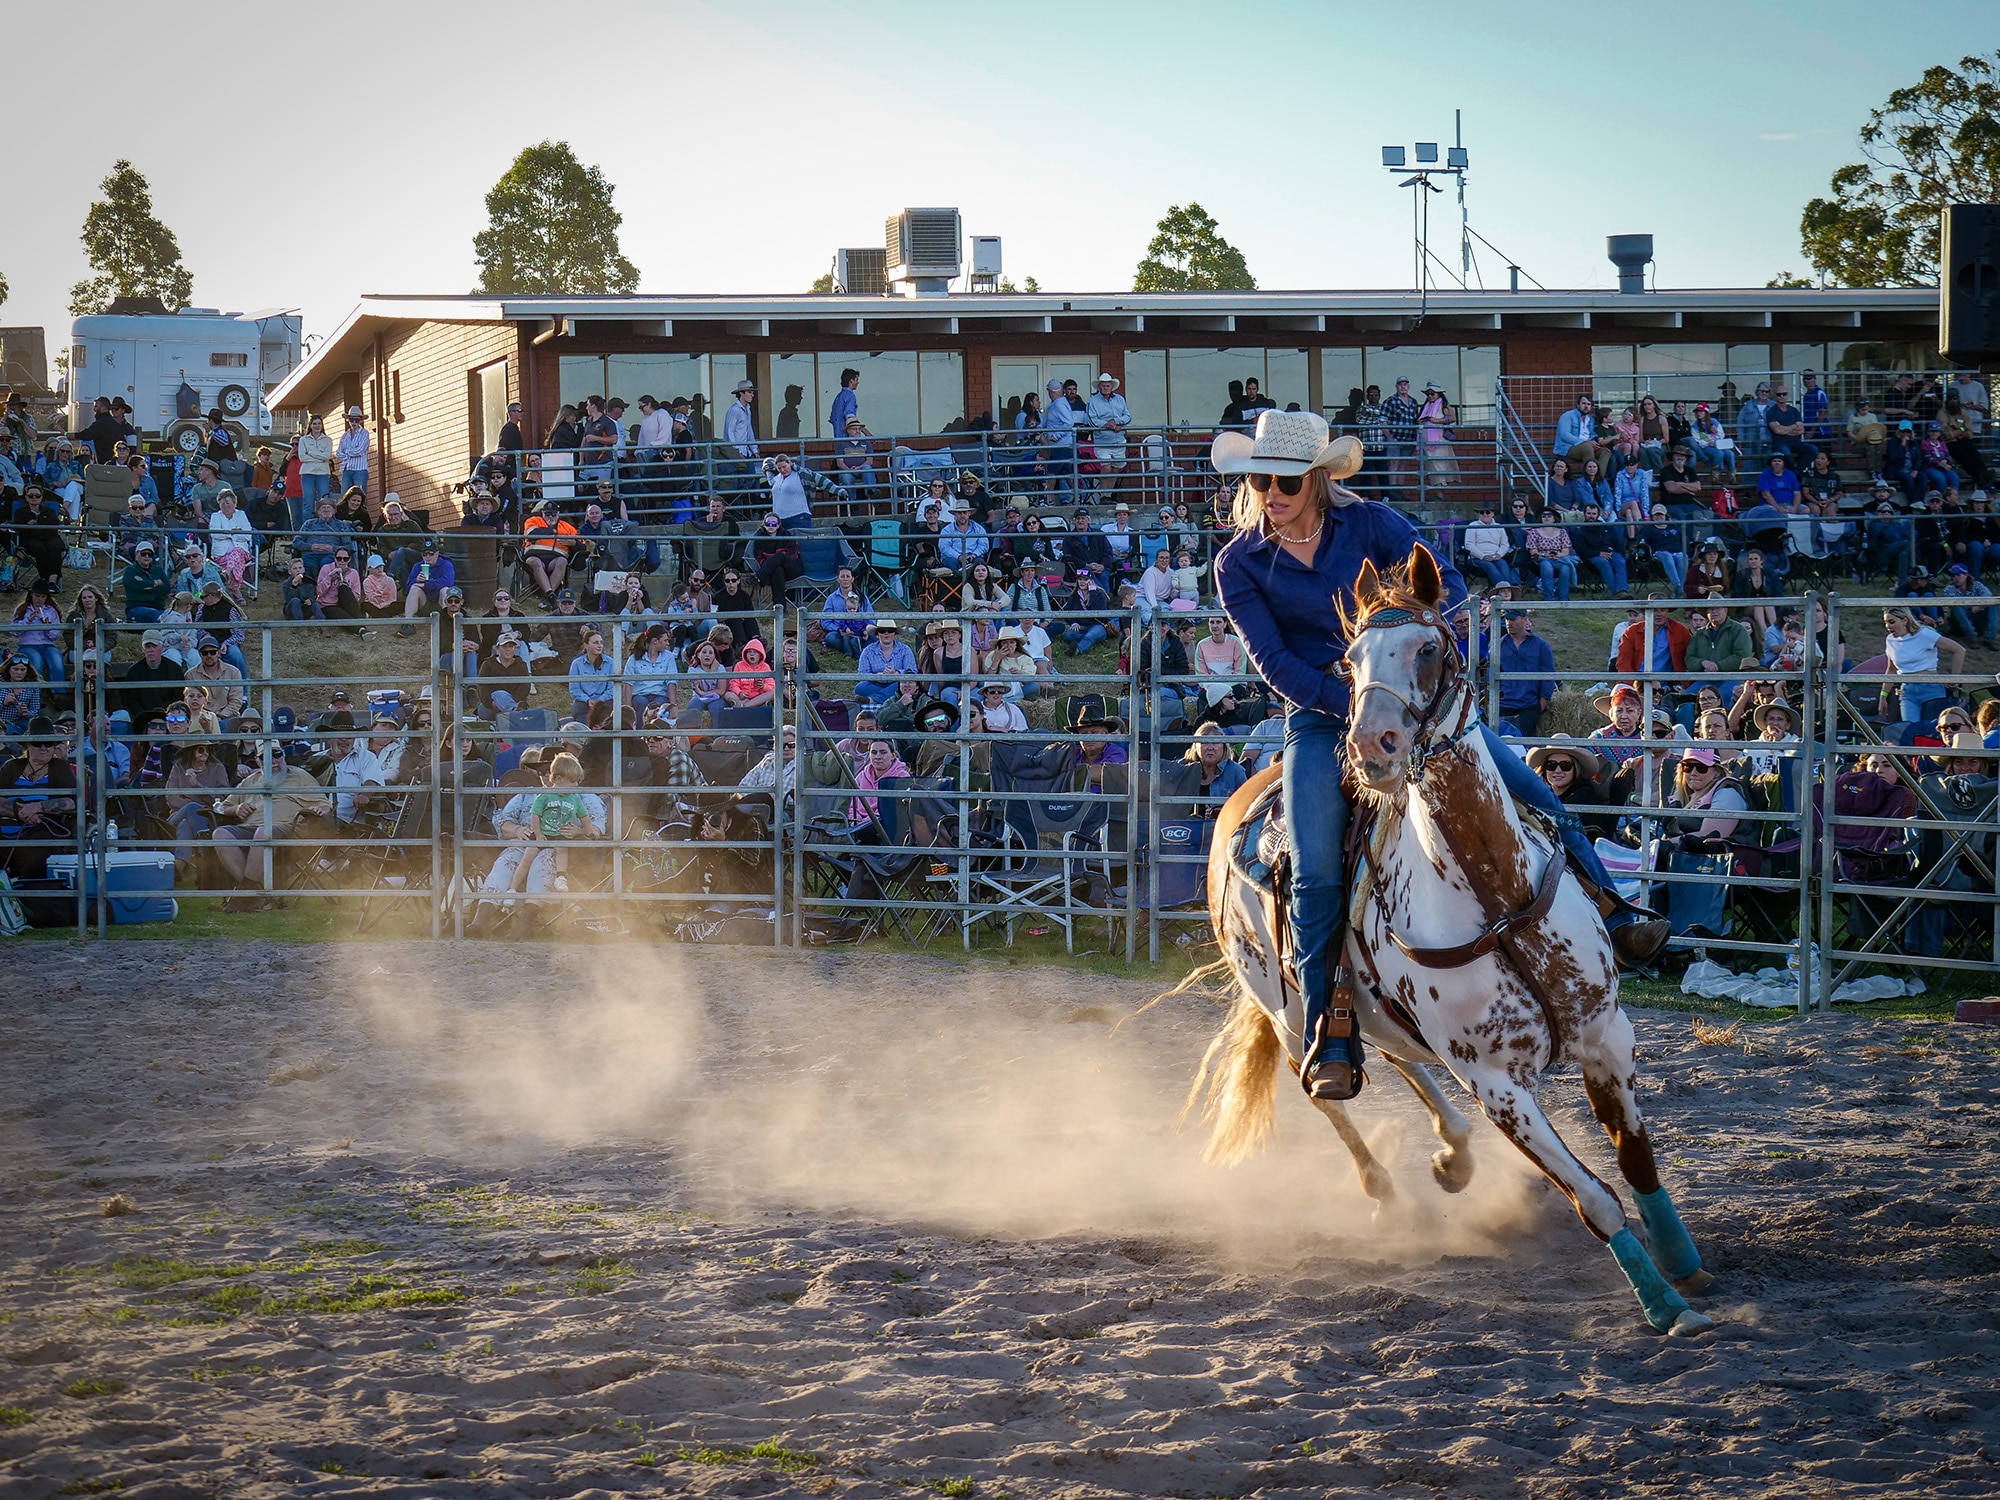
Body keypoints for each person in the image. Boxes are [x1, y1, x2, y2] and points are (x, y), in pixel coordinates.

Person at [1212, 411, 1665, 1100]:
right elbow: (1274, 664)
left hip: (1411, 710)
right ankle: (1326, 1030)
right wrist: (1363, 712)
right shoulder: (1239, 562)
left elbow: (1447, 583)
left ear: (1316, 480)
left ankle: (1611, 907)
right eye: (1259, 479)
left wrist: (1407, 660)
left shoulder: (1373, 525)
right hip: (1320, 719)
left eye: (1284, 479)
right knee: (1313, 868)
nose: (1268, 492)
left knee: (1532, 792)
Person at [1881, 606, 1964, 724]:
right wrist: (1883, 696)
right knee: (1911, 730)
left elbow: (1958, 650)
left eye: (1892, 622)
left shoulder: (1924, 634)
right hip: (1907, 690)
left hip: (1930, 687)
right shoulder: (1890, 640)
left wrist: (1953, 679)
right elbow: (1891, 669)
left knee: (1934, 731)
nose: (1888, 626)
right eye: (1886, 623)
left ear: (1904, 620)